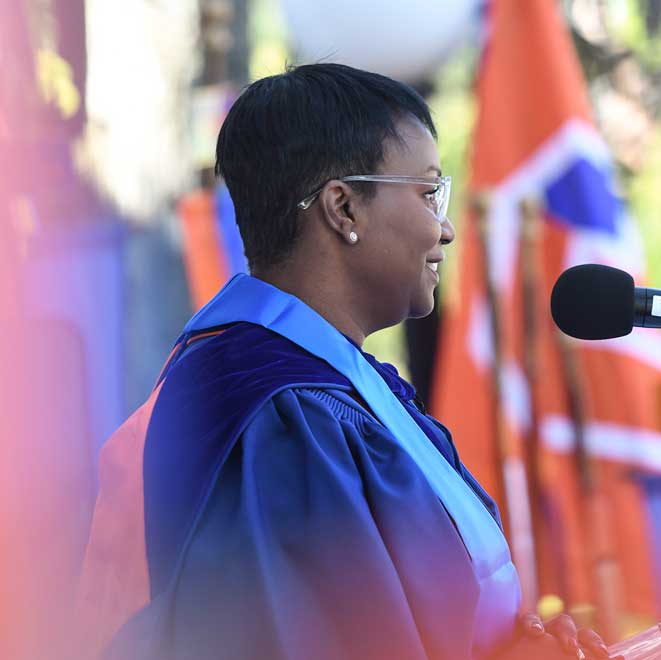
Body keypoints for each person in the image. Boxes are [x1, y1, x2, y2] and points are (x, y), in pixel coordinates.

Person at [77, 63, 611, 660]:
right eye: (429, 192)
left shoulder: (333, 384)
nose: (448, 227)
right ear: (343, 209)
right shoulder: (280, 418)